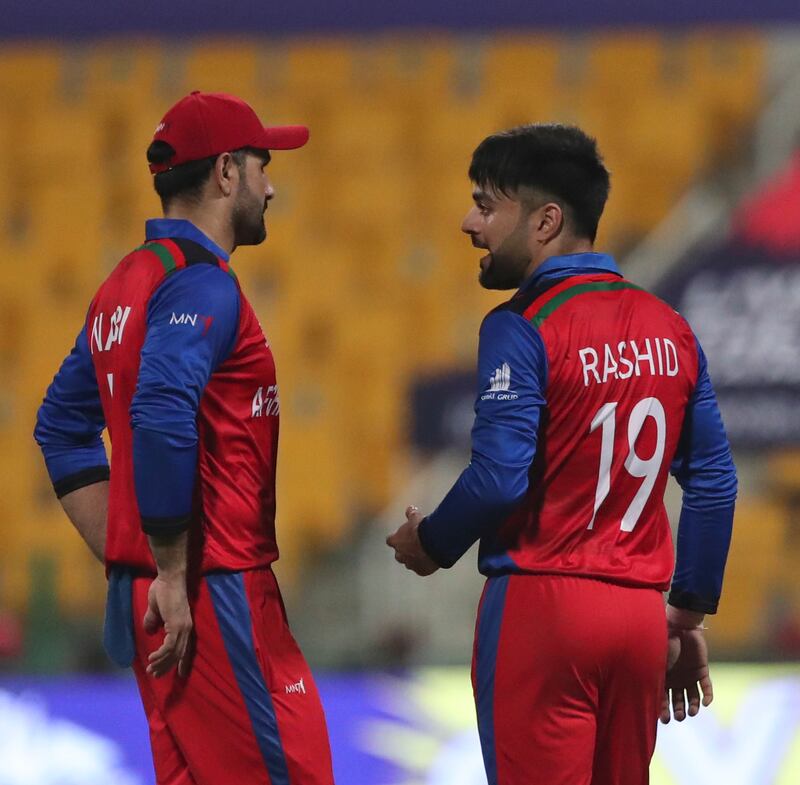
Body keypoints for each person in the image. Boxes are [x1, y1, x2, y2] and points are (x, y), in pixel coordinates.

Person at [387, 124, 737, 785]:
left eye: (487, 205)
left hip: (542, 610)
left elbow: (497, 478)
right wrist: (684, 617)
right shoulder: (672, 329)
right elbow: (715, 483)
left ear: (546, 220)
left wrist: (430, 543)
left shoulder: (523, 325)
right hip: (637, 617)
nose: (470, 222)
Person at [34, 91, 335, 785]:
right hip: (213, 593)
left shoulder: (122, 285)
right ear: (227, 172)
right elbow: (162, 412)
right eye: (262, 164)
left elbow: (61, 428)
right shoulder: (202, 285)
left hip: (166, 598)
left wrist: (135, 561)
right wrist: (168, 570)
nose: (271, 184)